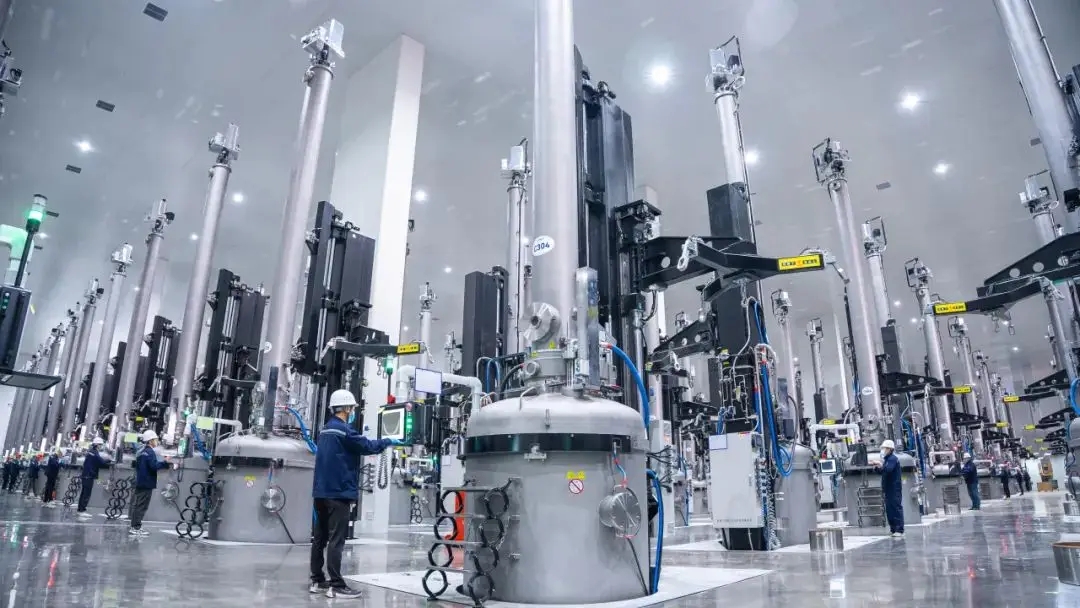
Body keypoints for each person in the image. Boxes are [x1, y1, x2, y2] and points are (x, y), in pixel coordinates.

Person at [310, 389, 401, 599]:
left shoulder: (325, 430)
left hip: (321, 492)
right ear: (346, 409)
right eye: (351, 408)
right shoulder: (344, 431)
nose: (352, 412)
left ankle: (317, 580)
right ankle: (336, 585)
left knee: (320, 538)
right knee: (337, 540)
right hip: (339, 493)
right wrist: (387, 441)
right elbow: (367, 446)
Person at [129, 430, 170, 536]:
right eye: (155, 439)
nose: (157, 441)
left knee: (138, 505)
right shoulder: (150, 452)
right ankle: (136, 527)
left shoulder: (141, 452)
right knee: (142, 506)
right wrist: (165, 463)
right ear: (150, 440)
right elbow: (154, 466)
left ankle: (134, 526)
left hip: (140, 482)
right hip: (146, 483)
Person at [77, 437, 112, 519]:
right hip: (89, 476)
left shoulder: (91, 451)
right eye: (100, 445)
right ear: (96, 445)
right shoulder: (94, 453)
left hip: (86, 475)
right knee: (86, 494)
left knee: (83, 493)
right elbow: (101, 462)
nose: (101, 446)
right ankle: (82, 510)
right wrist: (109, 460)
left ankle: (80, 509)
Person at [875, 439, 904, 538]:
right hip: (888, 488)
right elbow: (882, 472)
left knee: (895, 508)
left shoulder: (892, 459)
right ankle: (893, 529)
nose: (883, 450)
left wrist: (880, 465)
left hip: (894, 488)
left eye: (884, 448)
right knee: (889, 509)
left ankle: (899, 529)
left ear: (889, 449)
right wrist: (876, 467)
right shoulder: (887, 460)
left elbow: (888, 469)